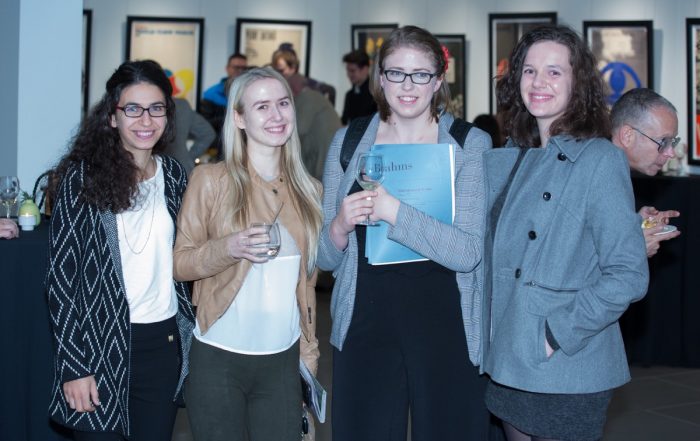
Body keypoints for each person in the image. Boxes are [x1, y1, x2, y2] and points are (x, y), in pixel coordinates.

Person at [318, 25, 494, 440]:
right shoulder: (349, 141)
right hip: (365, 321)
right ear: (380, 78)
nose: (408, 86)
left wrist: (394, 211)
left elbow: (468, 252)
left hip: (447, 322)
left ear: (438, 80)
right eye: (396, 73)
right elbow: (324, 258)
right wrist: (340, 225)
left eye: (420, 74)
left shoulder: (469, 144)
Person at [483, 25, 649, 441]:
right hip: (510, 355)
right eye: (529, 71)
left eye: (554, 72)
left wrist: (554, 334)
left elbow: (628, 274)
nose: (538, 82)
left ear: (578, 83)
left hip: (566, 365)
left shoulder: (600, 159)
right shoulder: (513, 156)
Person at [45, 60, 196, 441]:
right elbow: (61, 281)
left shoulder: (174, 176)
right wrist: (74, 366)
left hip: (162, 346)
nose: (146, 120)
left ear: (168, 114)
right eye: (132, 108)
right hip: (97, 349)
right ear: (112, 117)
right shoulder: (82, 179)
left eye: (156, 108)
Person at [173, 67, 323, 441]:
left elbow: (307, 288)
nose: (276, 115)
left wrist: (309, 358)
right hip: (218, 359)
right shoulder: (211, 181)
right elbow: (179, 263)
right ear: (239, 118)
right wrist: (229, 248)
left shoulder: (310, 191)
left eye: (283, 103)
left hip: (283, 361)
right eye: (262, 106)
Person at [611, 88, 682, 257]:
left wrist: (634, 226)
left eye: (673, 142)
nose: (671, 153)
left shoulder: (614, 171)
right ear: (627, 136)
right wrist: (634, 248)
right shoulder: (593, 176)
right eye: (663, 141)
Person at [201, 53, 248, 158]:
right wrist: (229, 118)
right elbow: (205, 124)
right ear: (227, 68)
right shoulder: (211, 94)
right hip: (220, 147)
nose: (240, 71)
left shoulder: (252, 92)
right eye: (236, 67)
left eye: (244, 68)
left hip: (247, 147)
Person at [164, 97, 216, 175]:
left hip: (168, 170)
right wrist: (188, 157)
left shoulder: (179, 105)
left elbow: (208, 133)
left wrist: (190, 156)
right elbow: (208, 133)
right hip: (183, 168)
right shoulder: (181, 105)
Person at [341, 49, 377, 125]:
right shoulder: (349, 95)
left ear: (365, 69)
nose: (348, 75)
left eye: (352, 71)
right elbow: (344, 122)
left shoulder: (376, 93)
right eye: (348, 71)